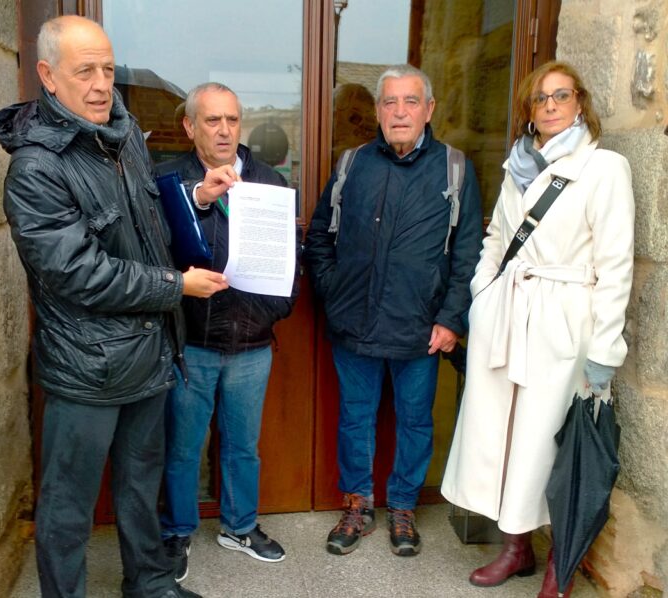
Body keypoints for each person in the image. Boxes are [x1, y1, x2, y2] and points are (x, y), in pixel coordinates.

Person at [0, 16, 228, 598]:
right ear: (48, 76)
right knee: (67, 503)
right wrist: (176, 287)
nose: (101, 85)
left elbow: (145, 222)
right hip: (87, 366)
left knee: (141, 487)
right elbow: (77, 272)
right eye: (84, 71)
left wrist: (195, 198)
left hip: (147, 353)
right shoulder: (36, 167)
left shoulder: (124, 135)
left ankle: (150, 584)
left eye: (108, 69)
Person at [441, 61, 635, 598]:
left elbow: (616, 264)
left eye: (560, 95)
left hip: (564, 321)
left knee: (546, 442)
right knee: (501, 437)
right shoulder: (519, 165)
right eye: (540, 98)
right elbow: (497, 239)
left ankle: (559, 563)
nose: (550, 106)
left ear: (580, 103)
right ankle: (516, 547)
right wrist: (483, 295)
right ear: (529, 109)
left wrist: (605, 348)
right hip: (507, 314)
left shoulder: (604, 168)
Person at [304, 64, 483, 557]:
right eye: (390, 102)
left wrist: (450, 319)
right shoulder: (352, 164)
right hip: (354, 323)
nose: (400, 112)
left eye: (410, 102)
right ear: (379, 112)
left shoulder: (454, 168)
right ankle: (357, 505)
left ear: (429, 110)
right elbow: (319, 238)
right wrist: (334, 293)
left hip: (420, 328)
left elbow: (468, 254)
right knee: (354, 419)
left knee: (415, 423)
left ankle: (403, 507)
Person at [155, 83, 297, 581]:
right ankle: (176, 532)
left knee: (242, 446)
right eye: (212, 120)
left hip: (251, 343)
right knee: (182, 448)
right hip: (191, 343)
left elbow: (288, 259)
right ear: (190, 126)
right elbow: (153, 250)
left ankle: (239, 527)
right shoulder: (168, 181)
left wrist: (273, 311)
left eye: (232, 120)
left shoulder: (268, 181)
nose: (224, 130)